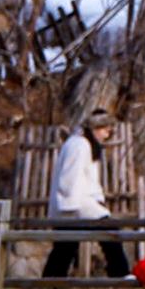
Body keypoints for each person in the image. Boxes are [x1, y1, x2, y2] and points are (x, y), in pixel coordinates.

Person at [41, 106, 123, 279]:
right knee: (108, 229)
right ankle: (120, 273)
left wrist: (96, 200)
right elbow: (70, 178)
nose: (107, 135)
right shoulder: (78, 145)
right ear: (95, 129)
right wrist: (75, 206)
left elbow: (89, 179)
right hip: (73, 204)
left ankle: (50, 282)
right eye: (105, 131)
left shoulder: (84, 145)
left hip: (77, 204)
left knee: (65, 248)